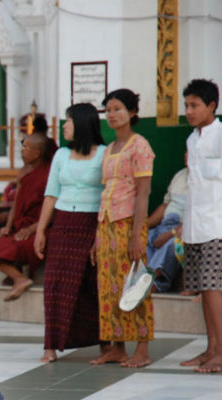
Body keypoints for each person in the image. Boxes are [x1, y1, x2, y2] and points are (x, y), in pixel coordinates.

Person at [34, 104, 106, 363]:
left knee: (93, 284)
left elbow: (107, 197)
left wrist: (100, 234)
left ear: (83, 123)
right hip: (63, 224)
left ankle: (104, 343)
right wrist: (41, 230)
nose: (64, 126)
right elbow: (51, 194)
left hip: (91, 223)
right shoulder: (61, 155)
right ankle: (50, 346)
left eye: (68, 121)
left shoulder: (104, 154)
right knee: (54, 285)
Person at [91, 89, 155, 368]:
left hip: (129, 223)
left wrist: (137, 235)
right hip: (106, 224)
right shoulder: (109, 148)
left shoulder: (139, 146)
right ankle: (117, 346)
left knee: (135, 284)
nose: (112, 115)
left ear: (131, 112)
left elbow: (143, 193)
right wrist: (96, 236)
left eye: (117, 109)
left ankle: (142, 349)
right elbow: (106, 190)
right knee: (109, 287)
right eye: (108, 110)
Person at [0, 133, 52, 301]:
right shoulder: (23, 172)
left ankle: (20, 278)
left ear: (37, 153)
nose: (22, 151)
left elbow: (51, 208)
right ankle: (17, 276)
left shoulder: (48, 174)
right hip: (20, 227)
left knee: (12, 246)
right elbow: (17, 203)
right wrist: (9, 226)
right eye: (22, 146)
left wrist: (32, 228)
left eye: (26, 148)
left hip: (40, 228)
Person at [181, 78, 222, 373]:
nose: (189, 111)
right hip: (195, 225)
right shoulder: (192, 139)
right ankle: (211, 348)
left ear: (212, 106)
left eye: (194, 105)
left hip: (216, 224)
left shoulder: (220, 134)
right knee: (202, 291)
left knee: (213, 289)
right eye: (186, 105)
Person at [145, 162, 187, 292]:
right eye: (187, 151)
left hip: (182, 228)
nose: (187, 155)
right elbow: (165, 205)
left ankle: (150, 281)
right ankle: (142, 280)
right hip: (165, 224)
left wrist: (171, 233)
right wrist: (143, 226)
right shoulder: (180, 176)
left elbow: (199, 217)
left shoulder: (207, 180)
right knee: (143, 239)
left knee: (173, 245)